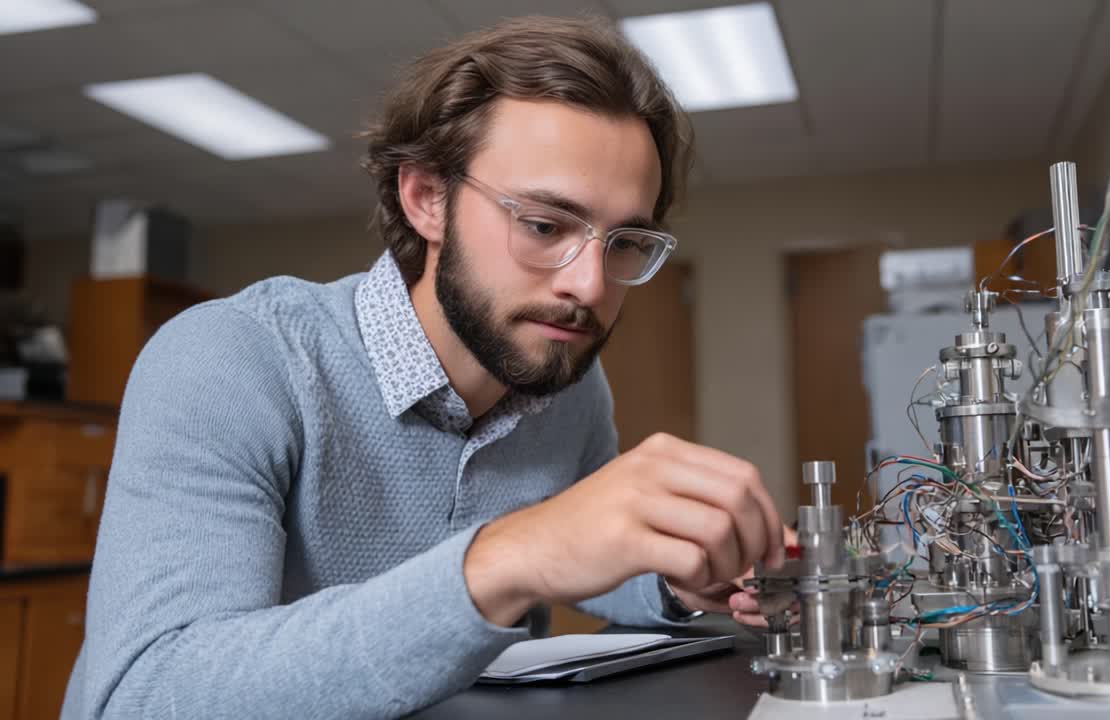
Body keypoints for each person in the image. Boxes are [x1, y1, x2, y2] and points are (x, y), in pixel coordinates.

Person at [61, 15, 787, 720]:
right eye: (543, 225)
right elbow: (144, 695)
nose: (590, 287)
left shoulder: (564, 379)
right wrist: (506, 557)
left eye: (625, 242)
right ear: (426, 199)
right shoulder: (232, 359)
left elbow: (584, 563)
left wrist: (680, 575)